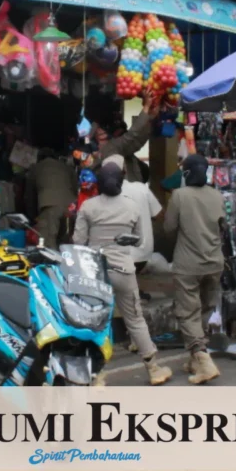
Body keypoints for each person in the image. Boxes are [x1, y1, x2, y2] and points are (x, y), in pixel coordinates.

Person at [72, 162, 171, 386]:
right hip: (124, 270)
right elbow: (140, 239)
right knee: (135, 319)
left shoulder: (88, 207)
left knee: (95, 322)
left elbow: (78, 242)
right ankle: (154, 369)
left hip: (96, 272)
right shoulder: (132, 206)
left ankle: (95, 376)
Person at [163, 154, 227, 384]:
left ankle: (203, 358)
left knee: (188, 311)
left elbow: (169, 228)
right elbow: (223, 226)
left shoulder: (179, 196)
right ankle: (195, 359)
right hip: (214, 262)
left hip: (188, 264)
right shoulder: (217, 195)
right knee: (204, 308)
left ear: (186, 173)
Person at [105, 153, 162, 271]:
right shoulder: (141, 188)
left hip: (117, 257)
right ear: (125, 171)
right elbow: (159, 215)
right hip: (143, 255)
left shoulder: (104, 194)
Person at [93, 89, 160, 183]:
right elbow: (132, 135)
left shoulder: (118, 148)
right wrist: (146, 108)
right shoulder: (110, 147)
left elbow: (138, 140)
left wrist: (150, 116)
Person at [25, 147, 77, 248]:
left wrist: (31, 217)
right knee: (67, 242)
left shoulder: (36, 168)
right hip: (70, 206)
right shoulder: (66, 167)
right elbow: (75, 188)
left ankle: (54, 263)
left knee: (48, 243)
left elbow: (29, 196)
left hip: (49, 206)